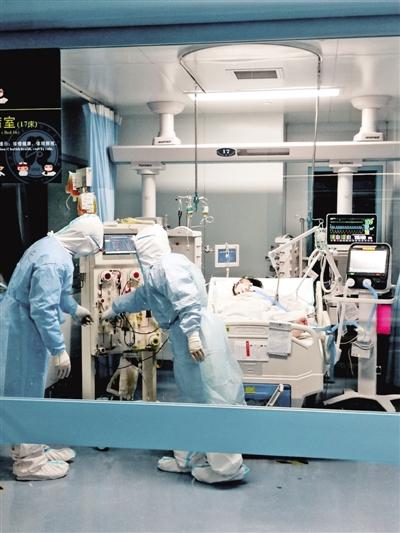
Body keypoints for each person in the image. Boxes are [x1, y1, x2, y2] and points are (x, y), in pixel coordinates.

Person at [102, 224, 249, 484]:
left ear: (146, 248)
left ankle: (227, 469)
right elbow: (143, 297)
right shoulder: (157, 272)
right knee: (191, 400)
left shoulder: (168, 265)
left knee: (212, 399)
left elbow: (186, 298)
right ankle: (189, 458)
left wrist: (192, 334)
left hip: (197, 334)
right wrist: (115, 307)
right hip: (184, 335)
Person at [0, 214, 104, 480]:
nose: (92, 252)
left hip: (23, 325)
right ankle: (29, 464)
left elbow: (57, 294)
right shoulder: (53, 260)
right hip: (23, 330)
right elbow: (43, 309)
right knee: (24, 394)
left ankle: (33, 446)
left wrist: (75, 309)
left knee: (29, 392)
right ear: (84, 240)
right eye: (94, 246)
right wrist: (59, 350)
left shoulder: (52, 247)